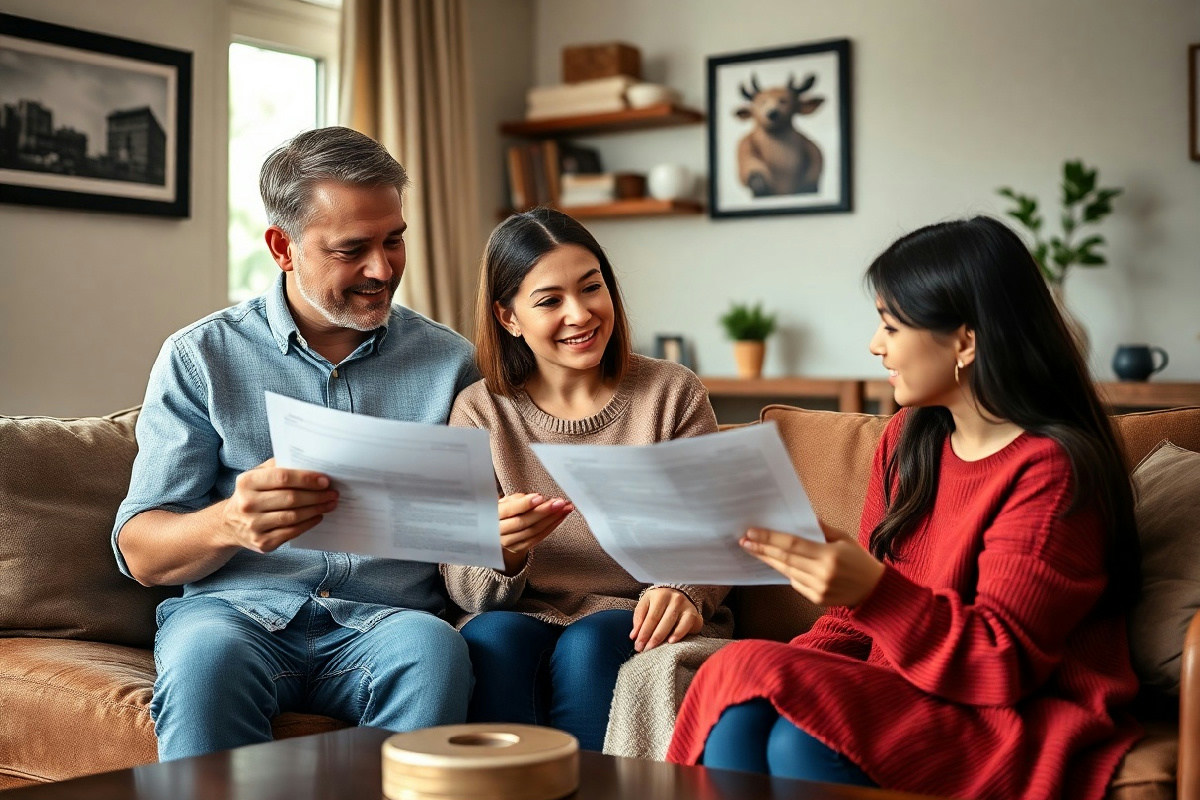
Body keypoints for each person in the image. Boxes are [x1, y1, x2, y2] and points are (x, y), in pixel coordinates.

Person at [666, 216, 1143, 800]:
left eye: (891, 325)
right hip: (910, 683)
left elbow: (1002, 664)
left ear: (965, 341)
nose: (875, 345)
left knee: (796, 741)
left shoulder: (1050, 470)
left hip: (1013, 705)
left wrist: (871, 590)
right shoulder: (908, 439)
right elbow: (850, 623)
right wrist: (785, 669)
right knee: (744, 691)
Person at [112, 127, 480, 761]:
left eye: (394, 241)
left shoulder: (451, 364)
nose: (382, 268)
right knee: (206, 662)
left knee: (436, 652)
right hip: (235, 614)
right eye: (351, 249)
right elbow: (142, 553)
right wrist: (228, 521)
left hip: (390, 621)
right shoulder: (202, 356)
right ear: (283, 247)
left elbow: (479, 531)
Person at [441, 208, 732, 751]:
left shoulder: (671, 393)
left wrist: (685, 588)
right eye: (550, 301)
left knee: (590, 644)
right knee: (490, 637)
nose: (581, 314)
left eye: (591, 288)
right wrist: (500, 551)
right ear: (509, 318)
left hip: (634, 612)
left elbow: (719, 530)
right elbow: (465, 586)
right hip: (521, 612)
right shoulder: (480, 410)